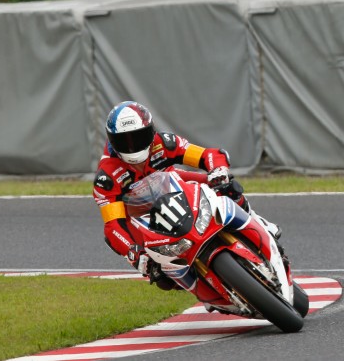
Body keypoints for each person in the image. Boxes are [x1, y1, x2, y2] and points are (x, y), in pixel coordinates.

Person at [92, 100, 280, 292]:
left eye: (138, 137)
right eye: (124, 141)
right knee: (164, 280)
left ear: (150, 131)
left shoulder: (163, 142)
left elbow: (207, 155)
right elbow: (113, 226)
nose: (132, 147)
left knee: (227, 186)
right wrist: (134, 254)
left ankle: (259, 223)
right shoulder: (106, 176)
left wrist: (218, 170)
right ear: (112, 141)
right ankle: (207, 291)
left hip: (172, 184)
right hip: (141, 216)